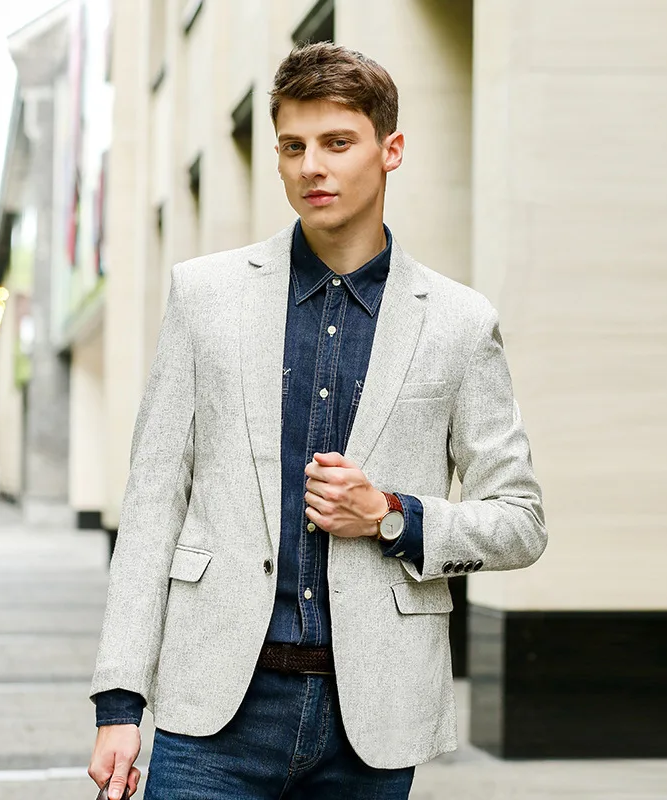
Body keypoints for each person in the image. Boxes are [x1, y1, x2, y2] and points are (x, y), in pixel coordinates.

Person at [88, 43, 547, 800]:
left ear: (390, 150)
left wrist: (391, 515)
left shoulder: (459, 323)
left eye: (337, 143)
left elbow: (521, 521)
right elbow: (151, 506)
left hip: (371, 718)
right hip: (214, 715)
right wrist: (119, 702)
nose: (312, 167)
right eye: (293, 147)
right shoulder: (204, 297)